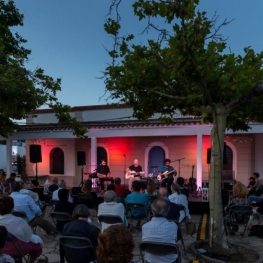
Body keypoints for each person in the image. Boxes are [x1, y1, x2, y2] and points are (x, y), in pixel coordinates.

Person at [0, 197, 43, 263]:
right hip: (14, 249)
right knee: (37, 243)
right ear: (12, 208)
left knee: (19, 239)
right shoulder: (19, 221)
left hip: (2, 248)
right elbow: (28, 236)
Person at [142, 198, 178, 263]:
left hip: (150, 261)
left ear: (152, 211)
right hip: (169, 261)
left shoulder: (145, 227)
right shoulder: (173, 226)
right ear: (168, 211)